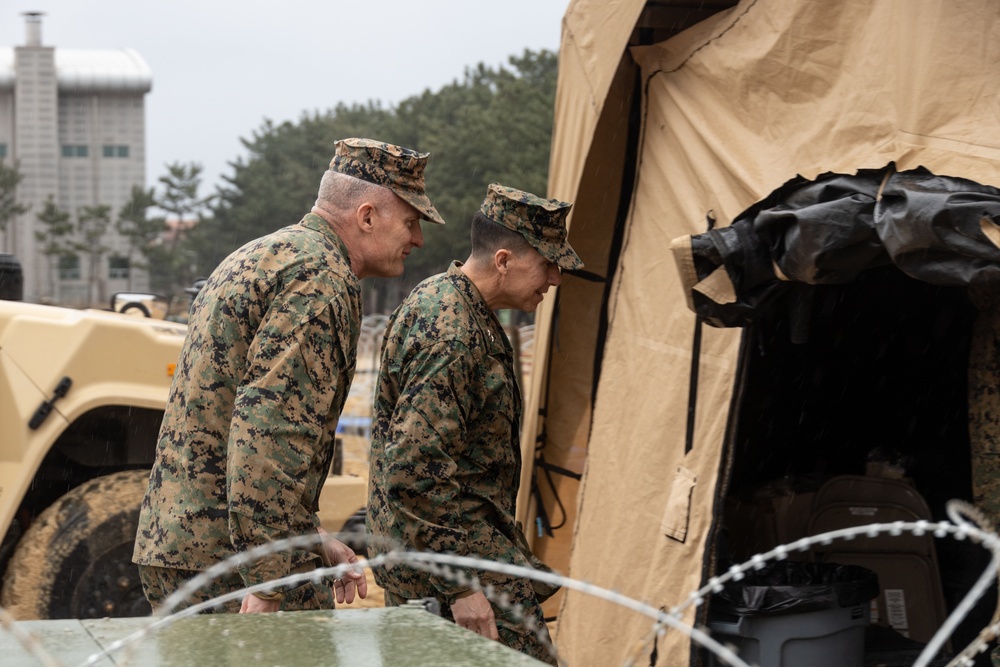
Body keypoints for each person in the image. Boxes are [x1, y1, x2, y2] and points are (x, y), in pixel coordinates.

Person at [133, 138, 445, 614]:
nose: (418, 240)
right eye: (411, 221)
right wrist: (268, 584)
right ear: (366, 216)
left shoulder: (260, 256)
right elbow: (269, 437)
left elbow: (225, 424)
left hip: (183, 543)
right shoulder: (321, 282)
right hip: (234, 563)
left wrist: (312, 536)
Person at [366, 183, 583, 663]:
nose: (555, 279)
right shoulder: (453, 332)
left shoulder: (453, 306)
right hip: (452, 559)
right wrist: (461, 586)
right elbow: (414, 469)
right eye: (547, 264)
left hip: (441, 551)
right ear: (503, 260)